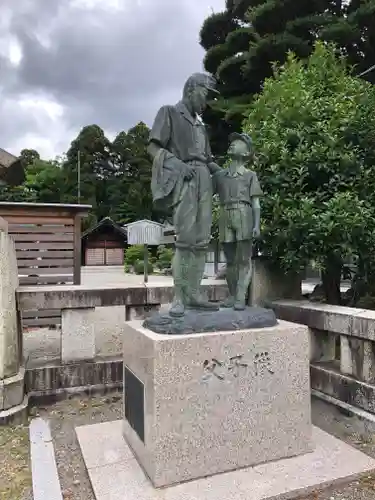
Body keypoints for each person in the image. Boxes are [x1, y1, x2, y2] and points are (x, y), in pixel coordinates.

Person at [148, 73, 221, 317]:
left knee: (202, 241)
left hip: (204, 179)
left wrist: (228, 176)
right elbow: (153, 146)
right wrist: (177, 165)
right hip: (185, 178)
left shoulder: (201, 125)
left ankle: (195, 294)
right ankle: (179, 297)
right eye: (206, 94)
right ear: (192, 89)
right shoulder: (169, 112)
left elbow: (209, 160)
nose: (207, 102)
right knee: (185, 239)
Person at [212, 133, 263, 310]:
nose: (232, 145)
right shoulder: (220, 176)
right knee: (231, 260)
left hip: (244, 212)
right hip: (225, 212)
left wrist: (257, 225)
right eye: (232, 142)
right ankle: (233, 296)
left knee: (244, 259)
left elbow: (256, 203)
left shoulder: (250, 175)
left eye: (237, 143)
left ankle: (241, 297)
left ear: (246, 152)